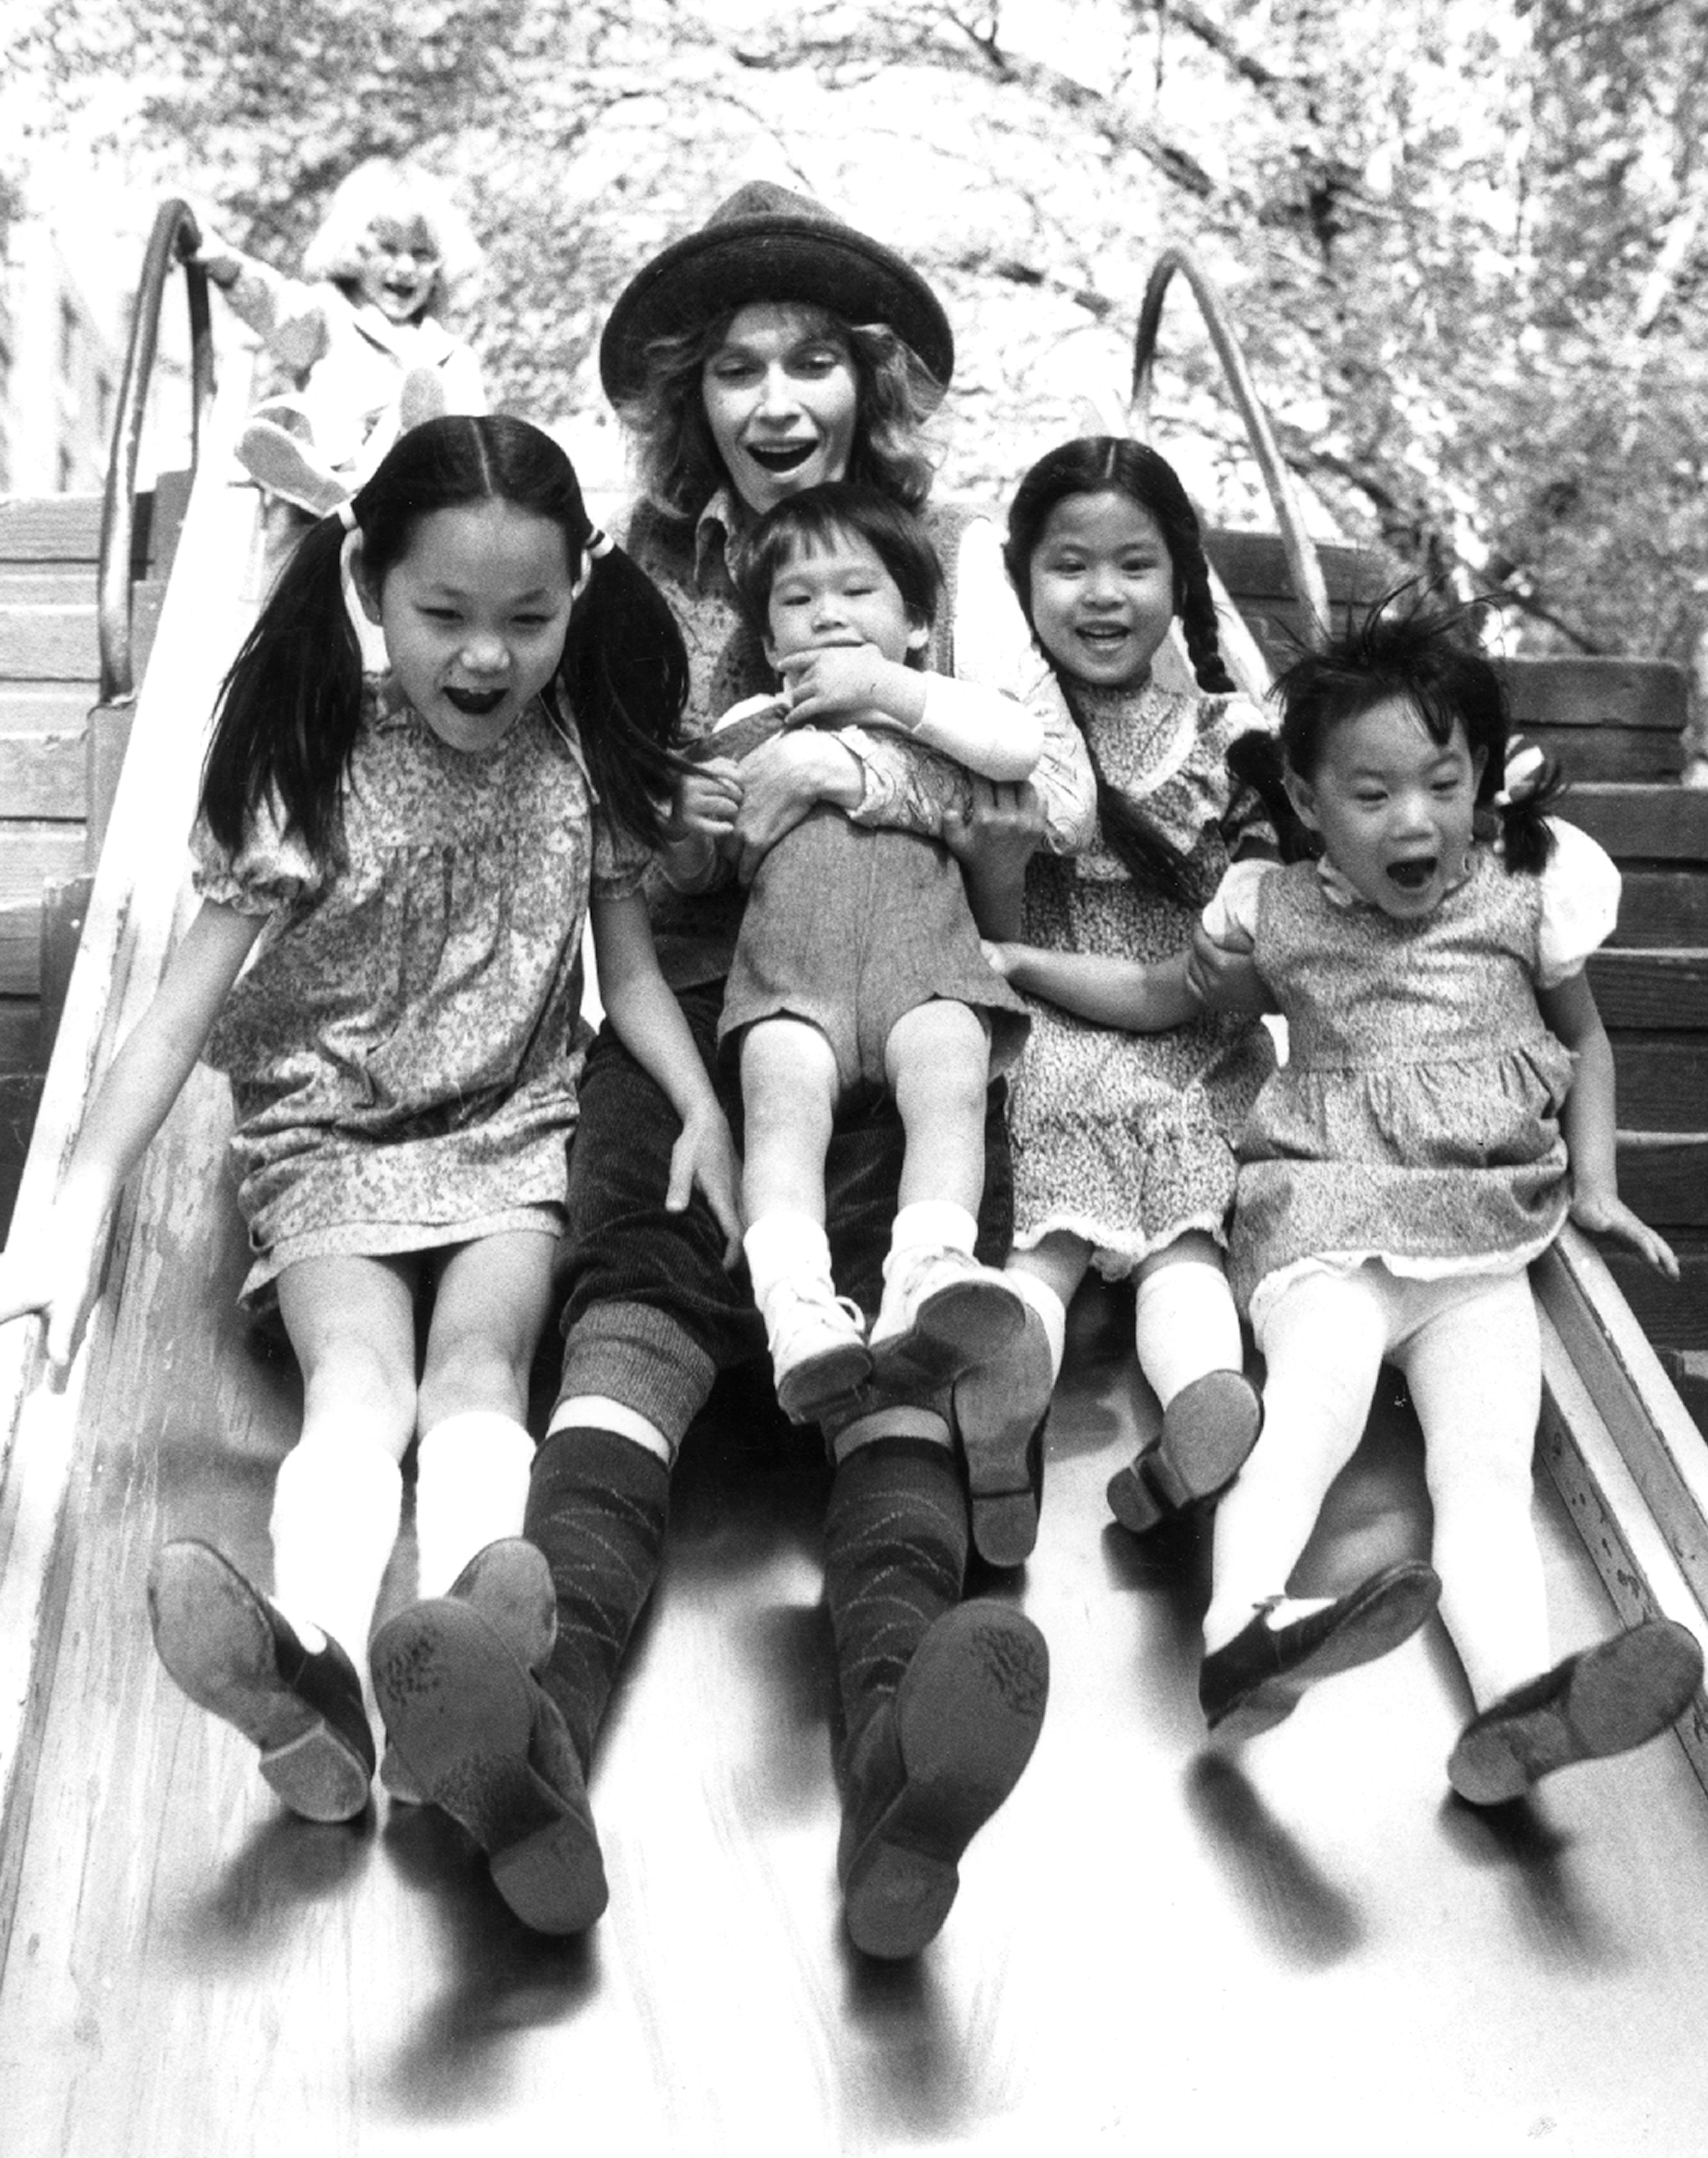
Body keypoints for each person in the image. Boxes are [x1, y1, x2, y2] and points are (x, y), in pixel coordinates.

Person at [393, 183, 1094, 1962]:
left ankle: (895, 1757)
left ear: (868, 385)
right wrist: (691, 816)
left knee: (913, 1321)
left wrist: (849, 778)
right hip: (702, 997)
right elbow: (597, 811)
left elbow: (1049, 798)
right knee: (635, 1289)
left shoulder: (948, 562)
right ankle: (524, 1731)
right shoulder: (626, 588)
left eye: (810, 366)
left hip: (921, 973)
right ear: (685, 398)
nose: (776, 401)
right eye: (735, 372)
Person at [0, 418, 739, 1926]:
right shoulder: (307, 767)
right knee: (359, 1386)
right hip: (328, 1142)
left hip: (509, 1132)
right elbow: (173, 1022)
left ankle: (473, 1653)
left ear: (578, 594)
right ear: (366, 580)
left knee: (479, 1369)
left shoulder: (579, 758)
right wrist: (66, 1219)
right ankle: (314, 1664)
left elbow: (633, 977)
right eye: (445, 616)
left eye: (529, 620)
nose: (488, 658)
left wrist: (699, 1105)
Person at [1184, 598, 1702, 1802]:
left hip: (1481, 1239)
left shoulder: (1529, 891)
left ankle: (1515, 1715)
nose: (1413, 818)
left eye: (1441, 781)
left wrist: (1603, 1184)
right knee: (1312, 1408)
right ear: (1310, 804)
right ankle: (1237, 1637)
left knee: (1487, 1481)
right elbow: (1180, 994)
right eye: (1371, 795)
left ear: (1481, 783)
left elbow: (1589, 1043)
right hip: (1326, 1220)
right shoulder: (1278, 905)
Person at [977, 437, 1279, 1565]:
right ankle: (1018, 1393)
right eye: (1068, 566)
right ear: (1022, 581)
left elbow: (1249, 925)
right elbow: (990, 911)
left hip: (1174, 1022)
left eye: (1134, 565)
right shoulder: (1006, 731)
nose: (1102, 595)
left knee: (1163, 1242)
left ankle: (1197, 1403)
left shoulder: (1231, 740)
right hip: (1072, 1025)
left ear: (1180, 578)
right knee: (1136, 1244)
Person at [685, 481, 1037, 1420]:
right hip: (792, 975)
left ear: (920, 625)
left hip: (924, 965)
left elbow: (1017, 746)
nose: (828, 614)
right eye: (797, 602)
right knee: (782, 1109)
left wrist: (889, 691)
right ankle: (795, 1307)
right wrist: (693, 823)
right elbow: (703, 862)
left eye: (858, 592)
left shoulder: (940, 710)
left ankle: (927, 1271)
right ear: (768, 644)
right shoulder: (748, 727)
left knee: (952, 1082)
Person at [189, 157, 487, 581]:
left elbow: (478, 443)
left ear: (441, 266)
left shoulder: (451, 356)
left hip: (406, 509)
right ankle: (321, 484)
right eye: (388, 249)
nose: (404, 267)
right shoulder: (329, 315)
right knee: (300, 414)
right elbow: (276, 307)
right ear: (354, 252)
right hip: (325, 485)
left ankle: (384, 471)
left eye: (421, 255)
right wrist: (227, 266)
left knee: (428, 413)